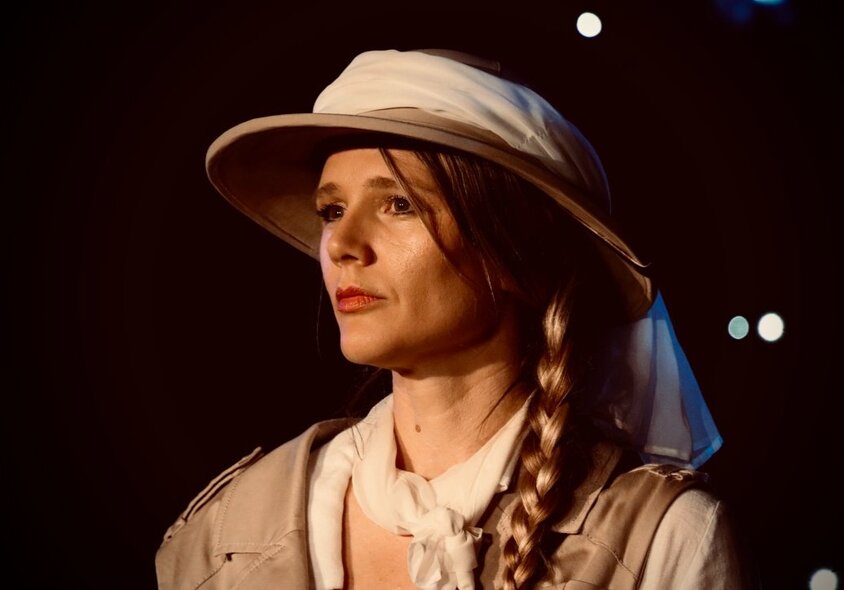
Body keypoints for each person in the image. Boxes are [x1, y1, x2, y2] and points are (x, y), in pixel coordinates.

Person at [155, 48, 755, 589]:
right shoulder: (224, 536)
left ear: (520, 256)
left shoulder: (658, 539)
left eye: (399, 204)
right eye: (332, 209)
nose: (341, 244)